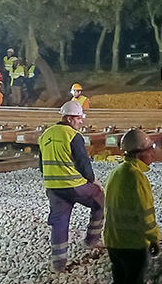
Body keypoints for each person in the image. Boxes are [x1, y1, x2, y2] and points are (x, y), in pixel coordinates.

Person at [40, 101, 104, 272]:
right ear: (69, 118)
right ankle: (92, 240)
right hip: (73, 185)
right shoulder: (73, 135)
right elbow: (84, 164)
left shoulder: (45, 135)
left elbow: (41, 165)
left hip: (53, 187)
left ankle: (58, 265)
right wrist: (93, 181)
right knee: (99, 198)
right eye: (78, 118)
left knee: (60, 223)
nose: (81, 121)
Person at [105, 128, 162, 284]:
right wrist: (154, 239)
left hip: (113, 241)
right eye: (149, 150)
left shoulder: (115, 173)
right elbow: (146, 214)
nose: (152, 153)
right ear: (139, 154)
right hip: (132, 244)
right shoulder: (137, 177)